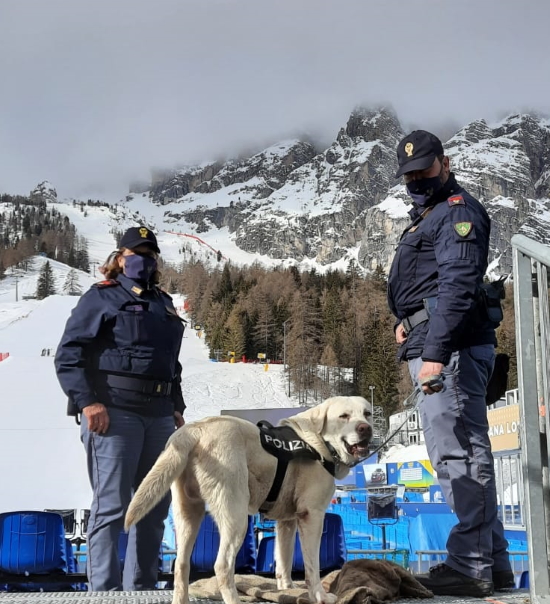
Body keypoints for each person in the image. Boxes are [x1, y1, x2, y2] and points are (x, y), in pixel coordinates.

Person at [387, 131, 513, 597]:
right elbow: (433, 284)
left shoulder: (455, 211)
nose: (417, 179)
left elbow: (458, 288)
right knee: (459, 449)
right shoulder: (432, 214)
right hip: (435, 338)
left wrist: (435, 352)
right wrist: (409, 321)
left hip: (451, 349)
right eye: (410, 174)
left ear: (444, 162)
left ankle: (470, 565)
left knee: (459, 453)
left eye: (424, 169)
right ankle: (493, 563)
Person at [55, 226, 186, 592]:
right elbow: (69, 354)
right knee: (112, 508)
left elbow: (169, 362)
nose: (143, 260)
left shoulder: (163, 302)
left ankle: (142, 592)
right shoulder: (102, 298)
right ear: (119, 258)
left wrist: (176, 406)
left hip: (159, 415)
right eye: (136, 253)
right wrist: (88, 402)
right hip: (114, 412)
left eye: (149, 254)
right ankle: (105, 595)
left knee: (154, 509)